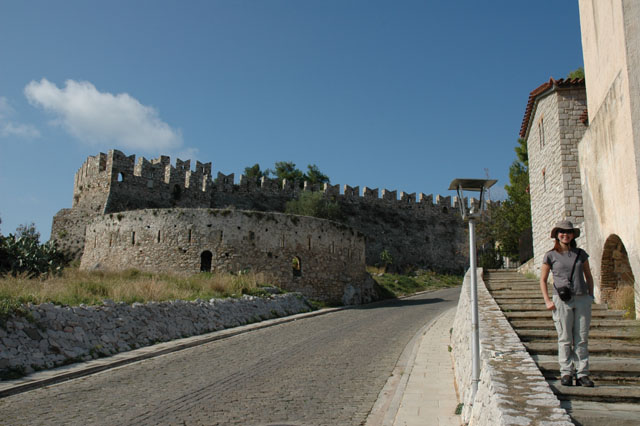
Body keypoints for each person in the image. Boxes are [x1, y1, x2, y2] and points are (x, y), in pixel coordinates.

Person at [539, 220, 595, 387]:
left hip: (582, 298)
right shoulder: (550, 255)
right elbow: (543, 280)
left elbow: (588, 276)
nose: (565, 234)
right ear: (557, 235)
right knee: (564, 338)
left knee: (581, 338)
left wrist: (590, 296)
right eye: (562, 232)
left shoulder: (580, 254)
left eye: (568, 232)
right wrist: (547, 300)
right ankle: (566, 373)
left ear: (573, 235)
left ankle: (582, 373)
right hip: (561, 300)